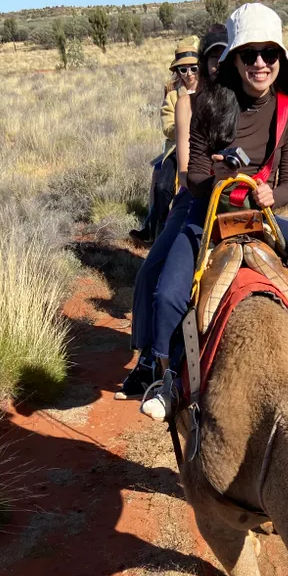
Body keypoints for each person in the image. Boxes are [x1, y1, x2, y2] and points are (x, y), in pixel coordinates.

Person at [139, 2, 288, 419]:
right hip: (209, 215)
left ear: (280, 58)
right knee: (168, 293)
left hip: (259, 215)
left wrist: (271, 195)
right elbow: (193, 178)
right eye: (249, 54)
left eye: (269, 53)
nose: (260, 63)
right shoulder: (207, 106)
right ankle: (166, 377)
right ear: (235, 60)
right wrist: (217, 176)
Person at [117, 26, 227, 401]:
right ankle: (149, 359)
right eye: (186, 68)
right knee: (152, 273)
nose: (192, 73)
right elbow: (185, 165)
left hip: (239, 197)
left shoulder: (241, 95)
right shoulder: (182, 101)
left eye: (197, 66)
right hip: (194, 194)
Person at [130, 39, 199, 244]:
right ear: (177, 72)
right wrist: (184, 127)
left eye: (193, 68)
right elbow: (168, 128)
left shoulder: (210, 93)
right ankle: (157, 232)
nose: (189, 74)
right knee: (162, 187)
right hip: (177, 149)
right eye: (183, 69)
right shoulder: (172, 97)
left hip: (204, 149)